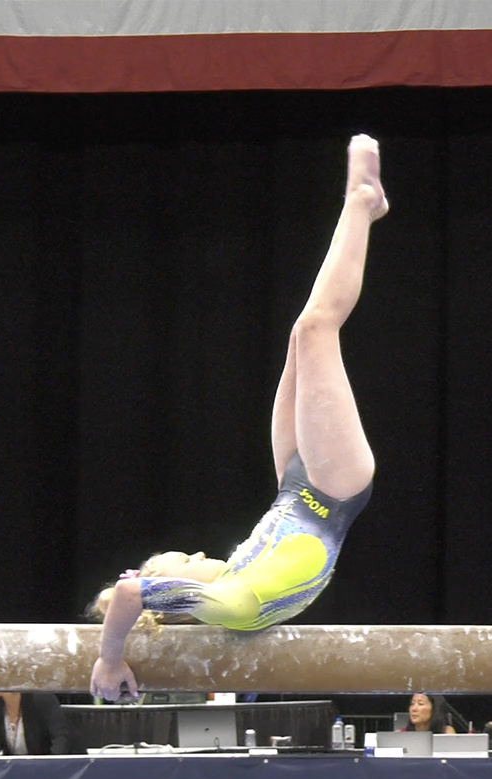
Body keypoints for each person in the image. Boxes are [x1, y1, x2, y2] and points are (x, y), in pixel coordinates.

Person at [91, 136, 388, 703]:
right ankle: (361, 202)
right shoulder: (233, 604)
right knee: (314, 330)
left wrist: (125, 634)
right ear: (175, 590)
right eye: (183, 561)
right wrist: (109, 660)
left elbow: (133, 595)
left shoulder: (228, 585)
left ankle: (362, 203)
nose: (200, 555)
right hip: (332, 491)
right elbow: (130, 594)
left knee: (299, 342)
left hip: (296, 490)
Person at [0, 691, 69, 756]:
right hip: (14, 773)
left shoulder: (42, 699)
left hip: (45, 770)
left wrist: (52, 766)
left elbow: (61, 738)